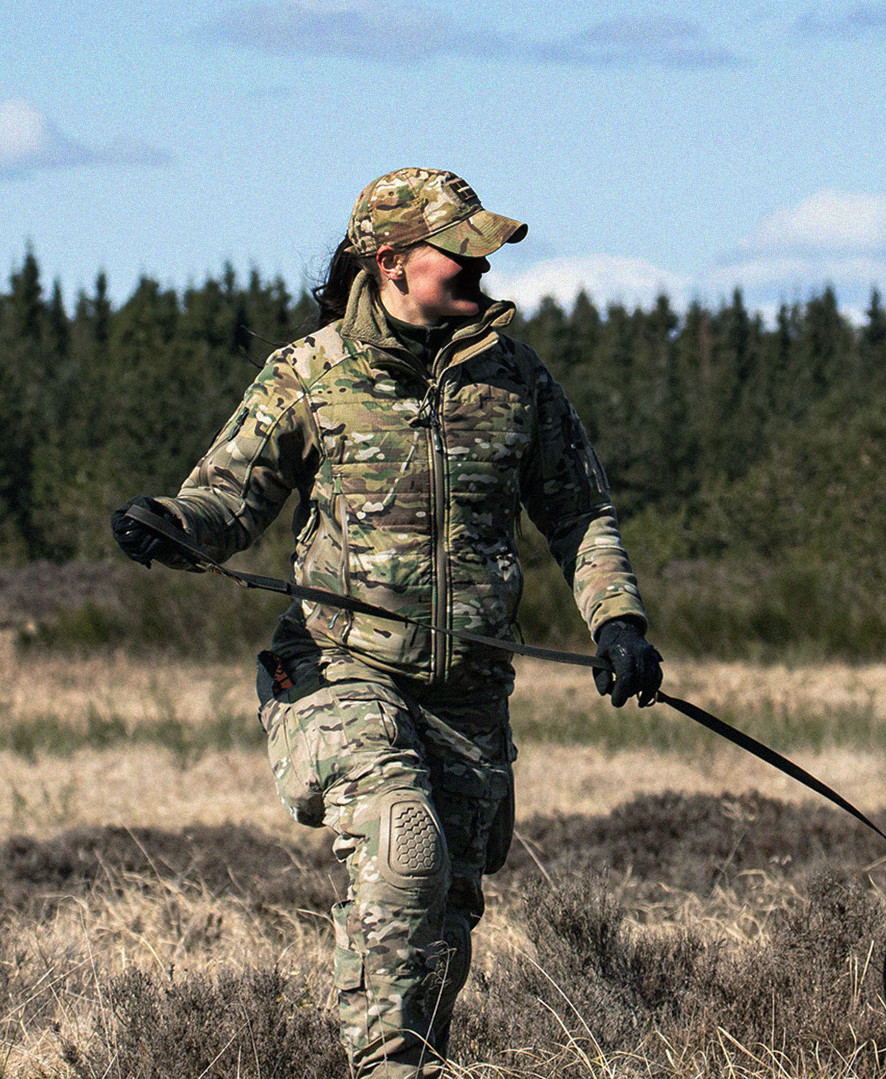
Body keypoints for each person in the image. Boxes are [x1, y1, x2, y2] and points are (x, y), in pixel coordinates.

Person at [108, 167, 664, 1078]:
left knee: (446, 903)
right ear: (394, 260)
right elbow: (225, 500)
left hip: (471, 694)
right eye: (461, 249)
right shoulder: (310, 374)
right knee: (403, 841)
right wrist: (173, 524)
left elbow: (580, 513)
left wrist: (618, 623)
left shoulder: (514, 378)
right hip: (337, 672)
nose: (482, 265)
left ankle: (418, 1056)